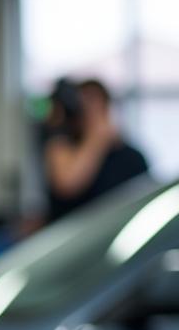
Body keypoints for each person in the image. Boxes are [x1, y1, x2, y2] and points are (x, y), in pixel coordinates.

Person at [42, 77, 149, 222]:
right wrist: (96, 138)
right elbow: (68, 184)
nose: (90, 111)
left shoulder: (131, 157)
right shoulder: (62, 145)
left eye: (95, 104)